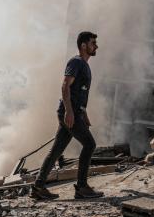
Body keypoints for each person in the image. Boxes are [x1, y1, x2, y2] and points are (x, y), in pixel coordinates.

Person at [32, 31, 104, 200]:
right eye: (93, 43)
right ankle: (81, 187)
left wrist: (83, 114)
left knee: (57, 150)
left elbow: (80, 93)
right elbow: (65, 86)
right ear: (83, 46)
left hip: (75, 113)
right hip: (69, 113)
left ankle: (38, 187)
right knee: (89, 145)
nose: (96, 46)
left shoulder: (85, 66)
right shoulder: (76, 62)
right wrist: (70, 112)